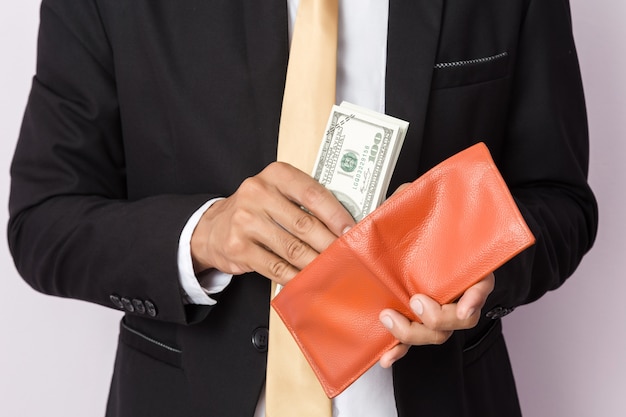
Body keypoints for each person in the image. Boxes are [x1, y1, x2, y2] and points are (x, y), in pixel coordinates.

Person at [8, 0, 597, 416]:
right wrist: (202, 235)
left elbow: (561, 200)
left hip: (440, 395)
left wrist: (477, 268)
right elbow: (43, 220)